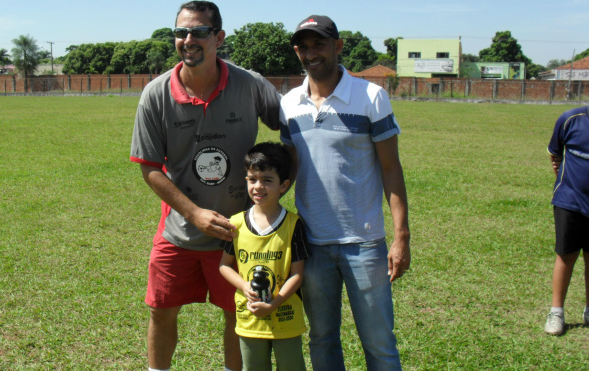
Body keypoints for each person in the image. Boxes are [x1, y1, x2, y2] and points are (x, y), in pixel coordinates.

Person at [129, 2, 282, 370]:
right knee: (161, 310)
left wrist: (279, 185)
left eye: (198, 31)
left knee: (237, 315)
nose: (188, 40)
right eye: (181, 32)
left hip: (237, 233)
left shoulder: (249, 85)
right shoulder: (155, 94)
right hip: (177, 231)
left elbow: (291, 125)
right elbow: (149, 167)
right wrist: (193, 213)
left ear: (219, 37)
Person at [279, 15, 411, 371]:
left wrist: (401, 237)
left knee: (379, 343)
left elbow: (391, 169)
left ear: (338, 46)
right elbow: (287, 171)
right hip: (313, 243)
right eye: (303, 47)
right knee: (322, 339)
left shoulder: (371, 96)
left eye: (319, 44)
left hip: (365, 244)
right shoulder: (288, 103)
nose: (311, 53)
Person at [219, 142, 310, 371]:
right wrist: (244, 285)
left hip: (286, 317)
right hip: (250, 318)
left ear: (284, 185)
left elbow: (297, 275)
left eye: (267, 180)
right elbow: (224, 266)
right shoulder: (236, 223)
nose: (258, 186)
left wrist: (275, 303)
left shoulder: (293, 225)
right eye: (252, 179)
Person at [544, 105, 589, 336]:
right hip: (569, 200)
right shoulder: (571, 119)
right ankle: (556, 312)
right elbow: (556, 154)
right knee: (566, 255)